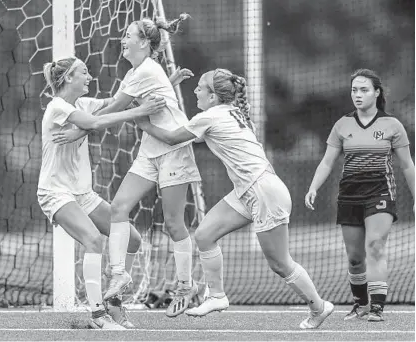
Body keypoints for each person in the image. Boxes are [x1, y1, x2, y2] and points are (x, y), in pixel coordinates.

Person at [134, 68, 334, 329]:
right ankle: (217, 296)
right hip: (248, 191)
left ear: (214, 97)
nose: (195, 91)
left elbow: (173, 138)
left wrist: (143, 122)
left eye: (200, 88)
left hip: (264, 192)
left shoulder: (210, 116)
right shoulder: (230, 111)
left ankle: (319, 307)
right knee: (204, 235)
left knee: (280, 263)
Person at [52, 14, 202, 318]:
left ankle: (186, 286)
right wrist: (168, 83)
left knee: (174, 224)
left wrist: (77, 131)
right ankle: (118, 275)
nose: (123, 39)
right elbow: (120, 107)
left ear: (144, 43)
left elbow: (113, 111)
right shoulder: (139, 72)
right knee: (119, 207)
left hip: (174, 150)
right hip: (151, 150)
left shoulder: (144, 70)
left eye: (129, 35)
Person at [38, 56, 165, 329]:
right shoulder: (57, 107)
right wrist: (139, 111)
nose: (89, 76)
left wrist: (163, 85)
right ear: (69, 78)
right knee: (94, 240)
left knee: (131, 238)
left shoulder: (82, 103)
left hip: (82, 194)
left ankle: (114, 302)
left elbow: (115, 102)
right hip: (55, 193)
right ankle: (98, 315)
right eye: (84, 72)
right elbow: (95, 123)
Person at [304, 69, 415, 322]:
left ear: (377, 92)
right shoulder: (342, 125)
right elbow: (327, 162)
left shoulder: (392, 125)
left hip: (380, 192)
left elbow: (408, 165)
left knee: (375, 246)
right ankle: (361, 303)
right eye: (354, 89)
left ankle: (377, 307)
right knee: (355, 258)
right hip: (349, 195)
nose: (358, 94)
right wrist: (313, 187)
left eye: (364, 89)